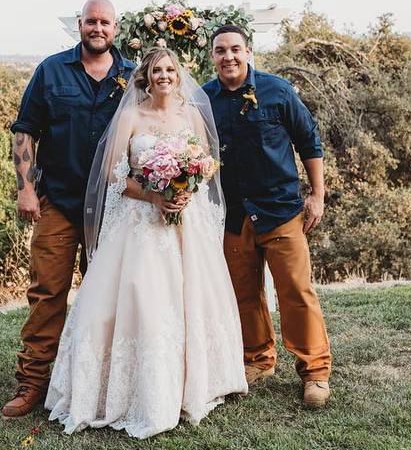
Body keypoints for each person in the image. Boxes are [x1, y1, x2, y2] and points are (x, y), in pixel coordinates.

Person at [44, 48, 247, 439]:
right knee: (144, 297)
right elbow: (113, 175)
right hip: (140, 225)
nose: (165, 76)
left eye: (171, 69)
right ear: (146, 76)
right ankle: (135, 389)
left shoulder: (191, 114)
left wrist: (184, 191)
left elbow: (205, 165)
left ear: (179, 74)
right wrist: (155, 196)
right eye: (158, 70)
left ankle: (194, 383)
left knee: (189, 297)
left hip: (187, 223)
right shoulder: (130, 117)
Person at [2, 0, 135, 418]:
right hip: (57, 202)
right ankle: (32, 382)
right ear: (79, 24)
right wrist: (25, 189)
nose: (98, 28)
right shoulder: (51, 70)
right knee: (47, 293)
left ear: (116, 28)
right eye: (91, 21)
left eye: (105, 22)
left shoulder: (133, 76)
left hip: (114, 207)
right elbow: (25, 131)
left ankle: (99, 381)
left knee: (108, 299)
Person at [202, 24, 333, 409]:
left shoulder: (277, 90)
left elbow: (309, 141)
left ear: (249, 51)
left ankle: (315, 372)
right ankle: (257, 359)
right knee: (243, 294)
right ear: (212, 56)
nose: (228, 57)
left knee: (296, 291)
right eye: (220, 50)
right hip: (232, 215)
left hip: (280, 211)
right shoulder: (203, 99)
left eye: (235, 49)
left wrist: (318, 195)